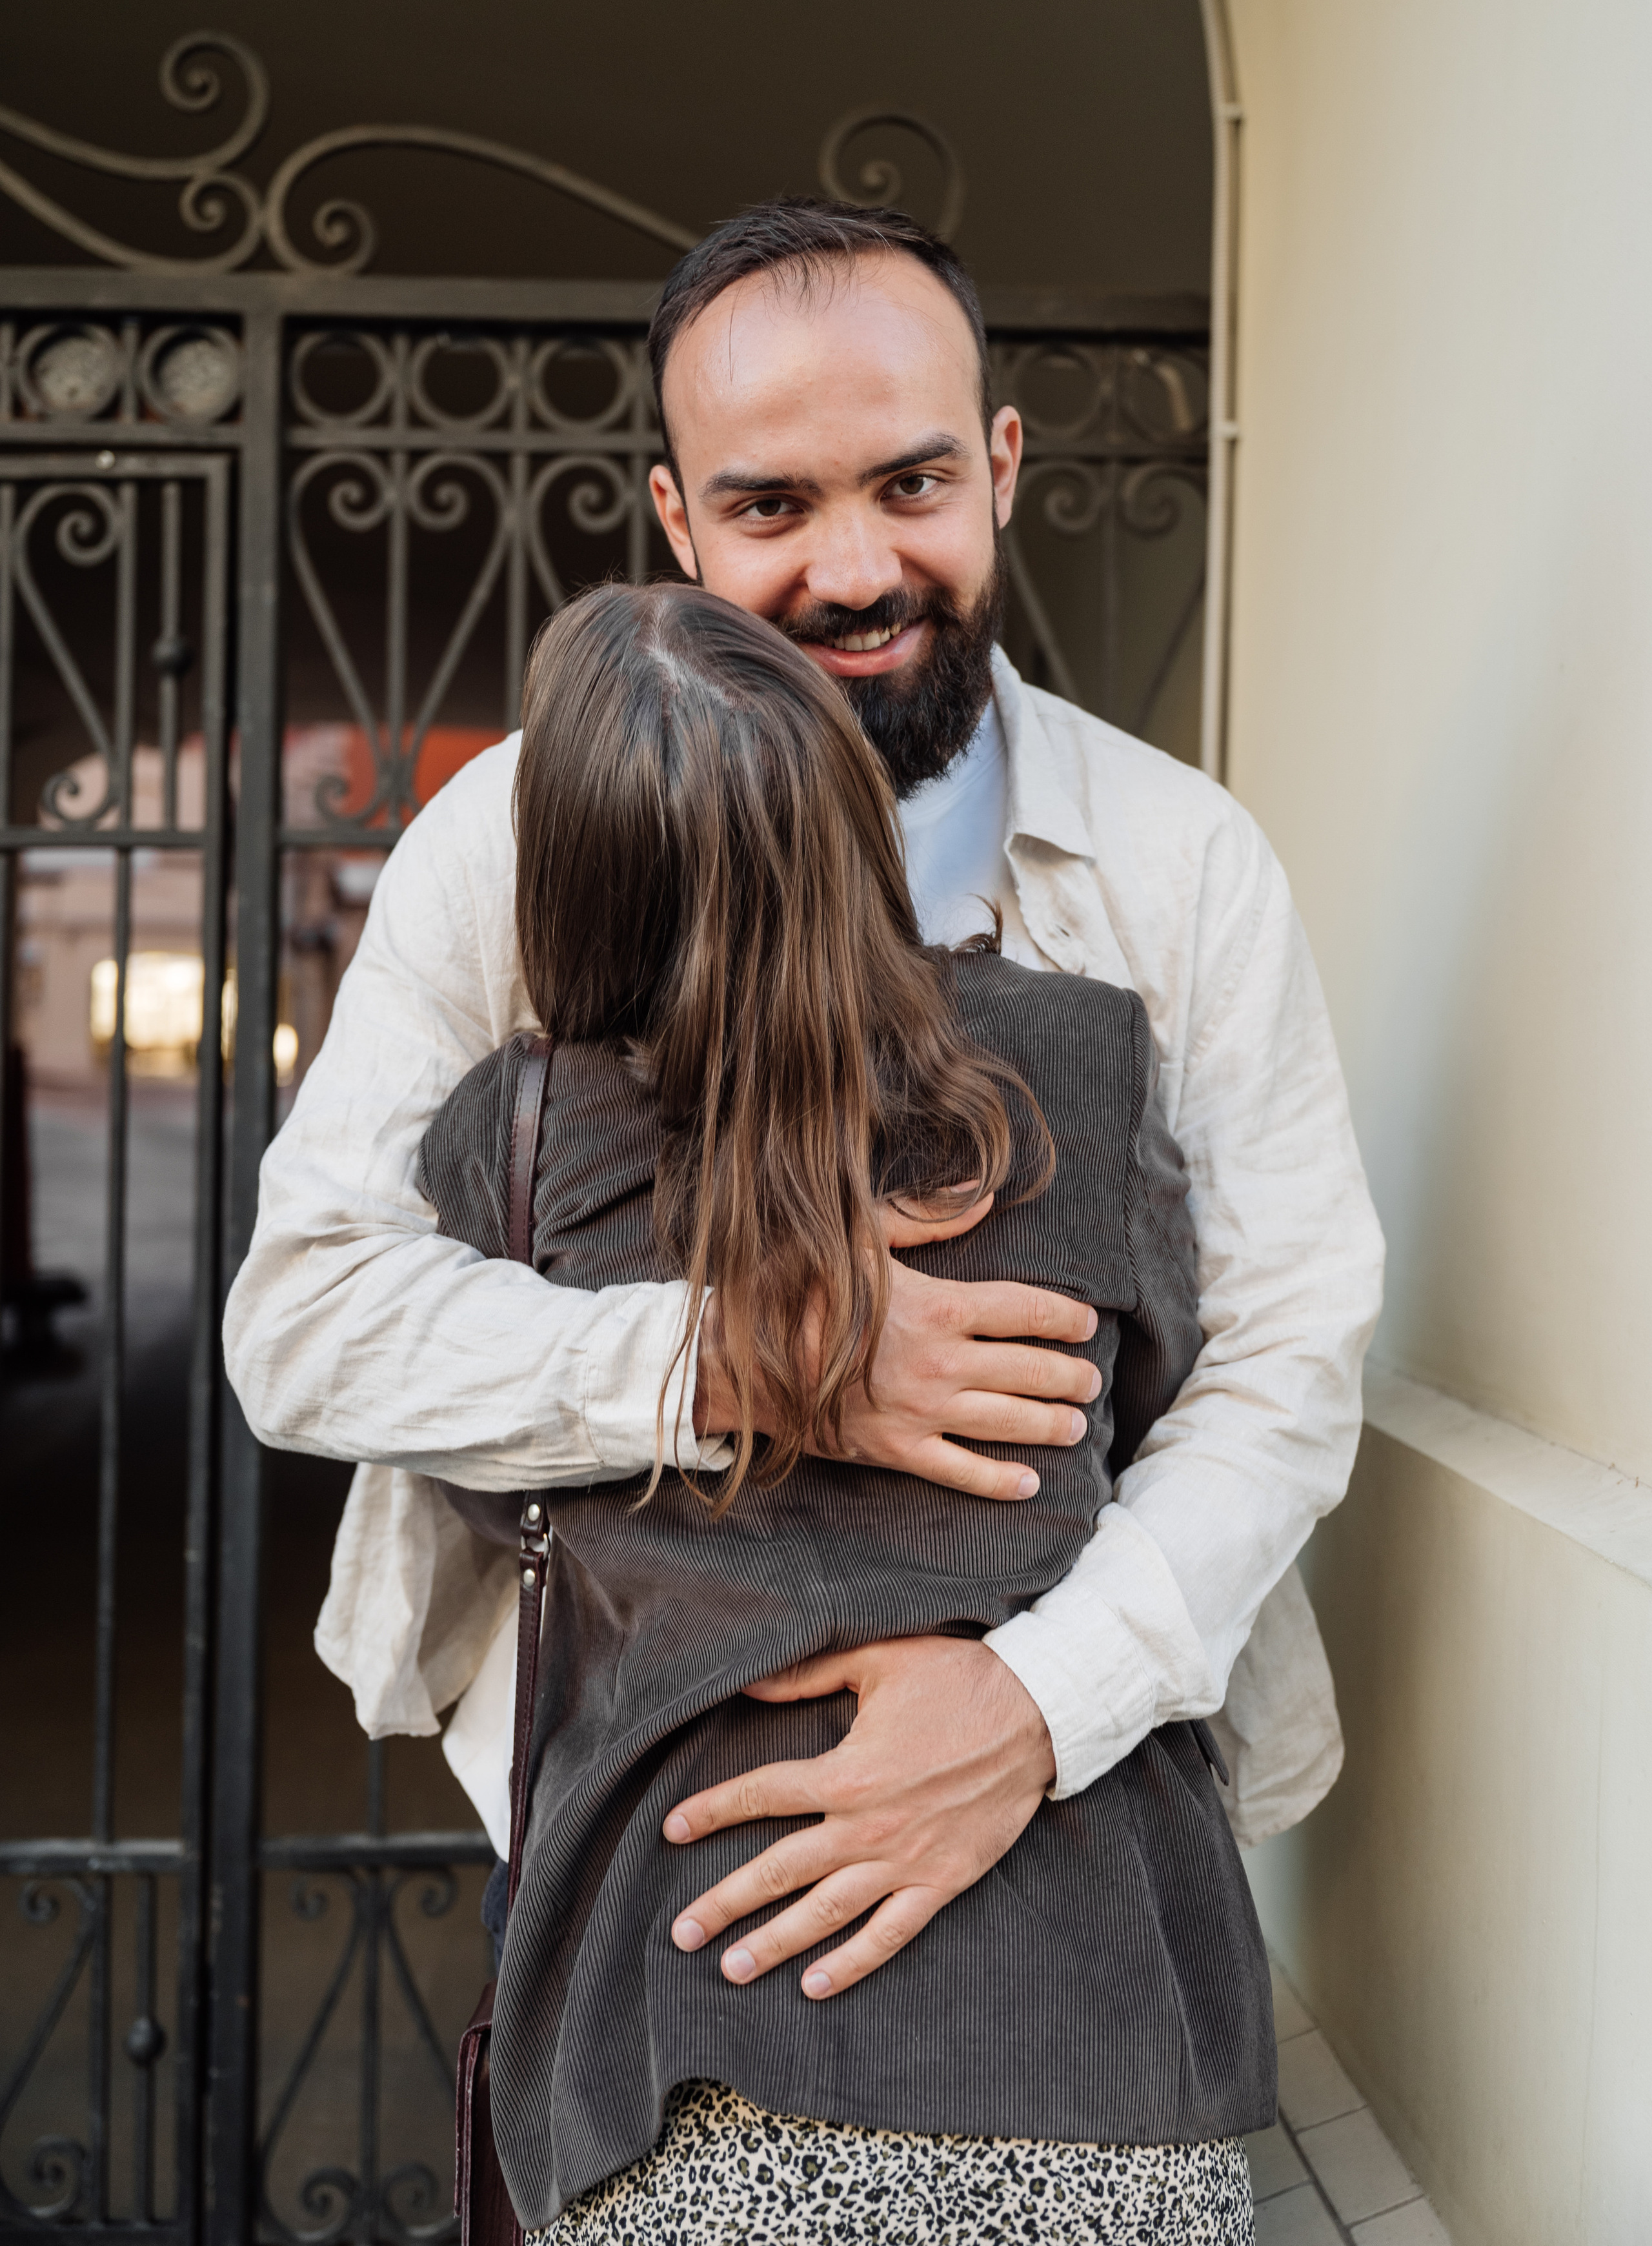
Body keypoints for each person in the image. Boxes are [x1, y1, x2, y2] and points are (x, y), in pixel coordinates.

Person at [223, 199, 1382, 2017]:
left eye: (912, 485)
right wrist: (746, 1357)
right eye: (772, 507)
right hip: (631, 1807)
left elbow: (1290, 1355)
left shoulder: (1184, 863)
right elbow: (301, 1320)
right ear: (677, 521)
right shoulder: (505, 848)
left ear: (1001, 467)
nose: (855, 572)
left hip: (1097, 1792)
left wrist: (1028, 1709)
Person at [421, 579, 1274, 2240]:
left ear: (569, 880)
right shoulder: (1080, 1067)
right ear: (851, 816)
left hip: (687, 2007)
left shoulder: (513, 1148)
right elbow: (1166, 1403)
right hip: (1091, 2026)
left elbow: (483, 1477)